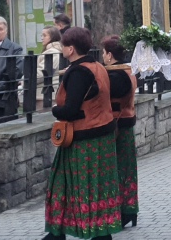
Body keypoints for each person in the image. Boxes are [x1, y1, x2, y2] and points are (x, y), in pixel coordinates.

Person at [44, 27, 121, 240]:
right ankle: (100, 232)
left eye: (63, 45)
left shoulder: (79, 72)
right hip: (103, 133)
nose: (62, 49)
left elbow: (71, 109)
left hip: (83, 138)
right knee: (99, 187)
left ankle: (68, 232)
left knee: (71, 186)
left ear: (71, 49)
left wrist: (54, 110)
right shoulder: (98, 66)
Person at [101, 35, 140, 228]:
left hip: (117, 124)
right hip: (126, 121)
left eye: (103, 53)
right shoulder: (128, 70)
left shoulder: (116, 75)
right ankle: (129, 209)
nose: (102, 56)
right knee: (127, 167)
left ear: (109, 55)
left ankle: (123, 210)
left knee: (118, 168)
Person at [35, 26, 62, 102]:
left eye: (44, 35)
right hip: (46, 92)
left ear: (53, 37)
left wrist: (25, 79)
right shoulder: (53, 50)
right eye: (41, 35)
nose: (42, 38)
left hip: (44, 94)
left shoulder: (52, 52)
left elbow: (41, 74)